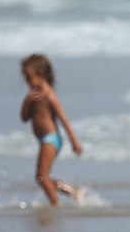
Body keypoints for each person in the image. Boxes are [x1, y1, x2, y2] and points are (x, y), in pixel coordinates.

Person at [19, 54, 84, 206]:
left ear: (41, 75)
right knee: (42, 178)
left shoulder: (49, 95)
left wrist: (74, 141)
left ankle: (55, 203)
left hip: (51, 139)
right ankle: (73, 193)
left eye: (30, 78)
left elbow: (63, 119)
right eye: (26, 79)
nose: (27, 82)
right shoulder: (33, 97)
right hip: (44, 140)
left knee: (42, 176)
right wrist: (27, 102)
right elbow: (24, 118)